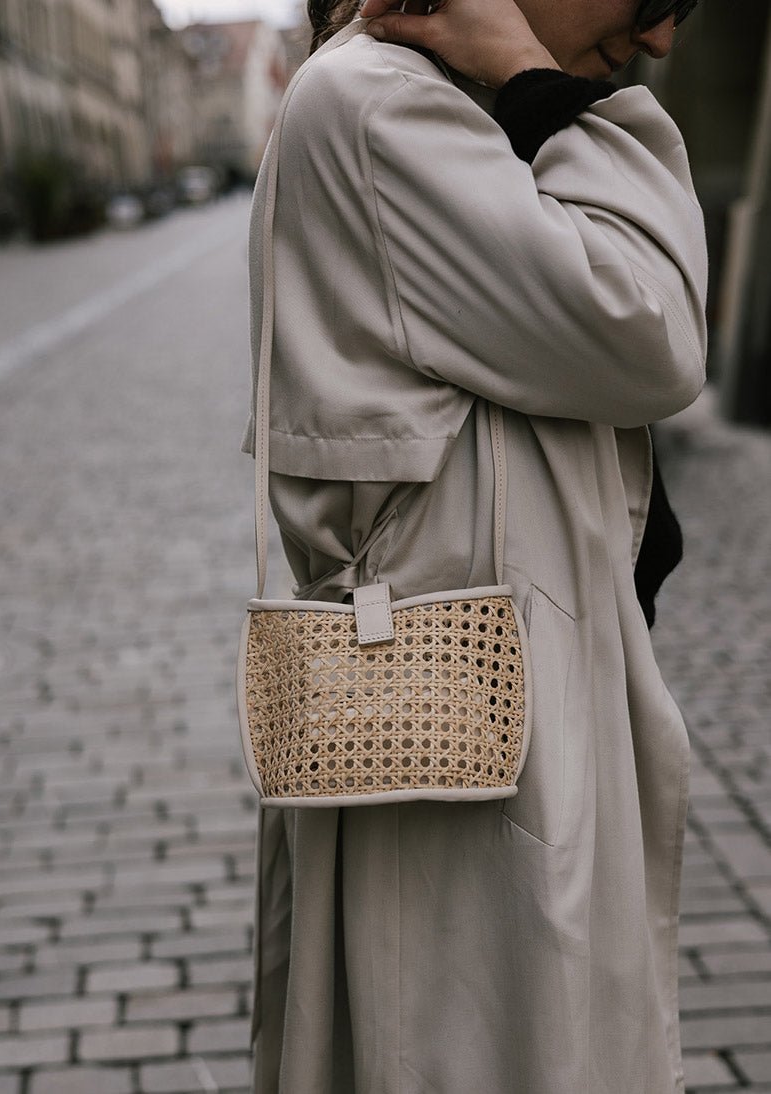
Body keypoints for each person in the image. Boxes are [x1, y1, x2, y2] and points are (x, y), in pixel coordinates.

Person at [240, 0, 708, 1089]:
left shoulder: (432, 105)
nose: (661, 38)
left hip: (502, 735)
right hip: (465, 760)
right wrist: (532, 73)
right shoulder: (383, 106)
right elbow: (650, 325)